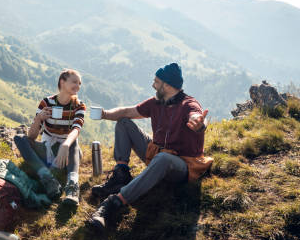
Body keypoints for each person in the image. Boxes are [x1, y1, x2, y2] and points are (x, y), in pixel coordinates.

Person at [87, 62, 211, 231]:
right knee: (123, 122)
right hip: (157, 152)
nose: (153, 85)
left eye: (156, 81)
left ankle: (114, 203)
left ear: (167, 85)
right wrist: (104, 114)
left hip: (181, 165)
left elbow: (197, 115)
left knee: (163, 159)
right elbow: (128, 112)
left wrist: (199, 123)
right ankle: (121, 174)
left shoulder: (188, 104)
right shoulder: (156, 102)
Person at [14, 69, 86, 205]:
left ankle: (72, 188)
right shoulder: (46, 103)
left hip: (68, 152)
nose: (78, 86)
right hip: (48, 148)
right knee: (20, 139)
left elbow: (77, 129)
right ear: (62, 82)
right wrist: (38, 119)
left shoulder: (79, 105)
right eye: (74, 82)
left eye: (80, 83)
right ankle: (48, 179)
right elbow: (32, 136)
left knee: (73, 141)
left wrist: (65, 145)